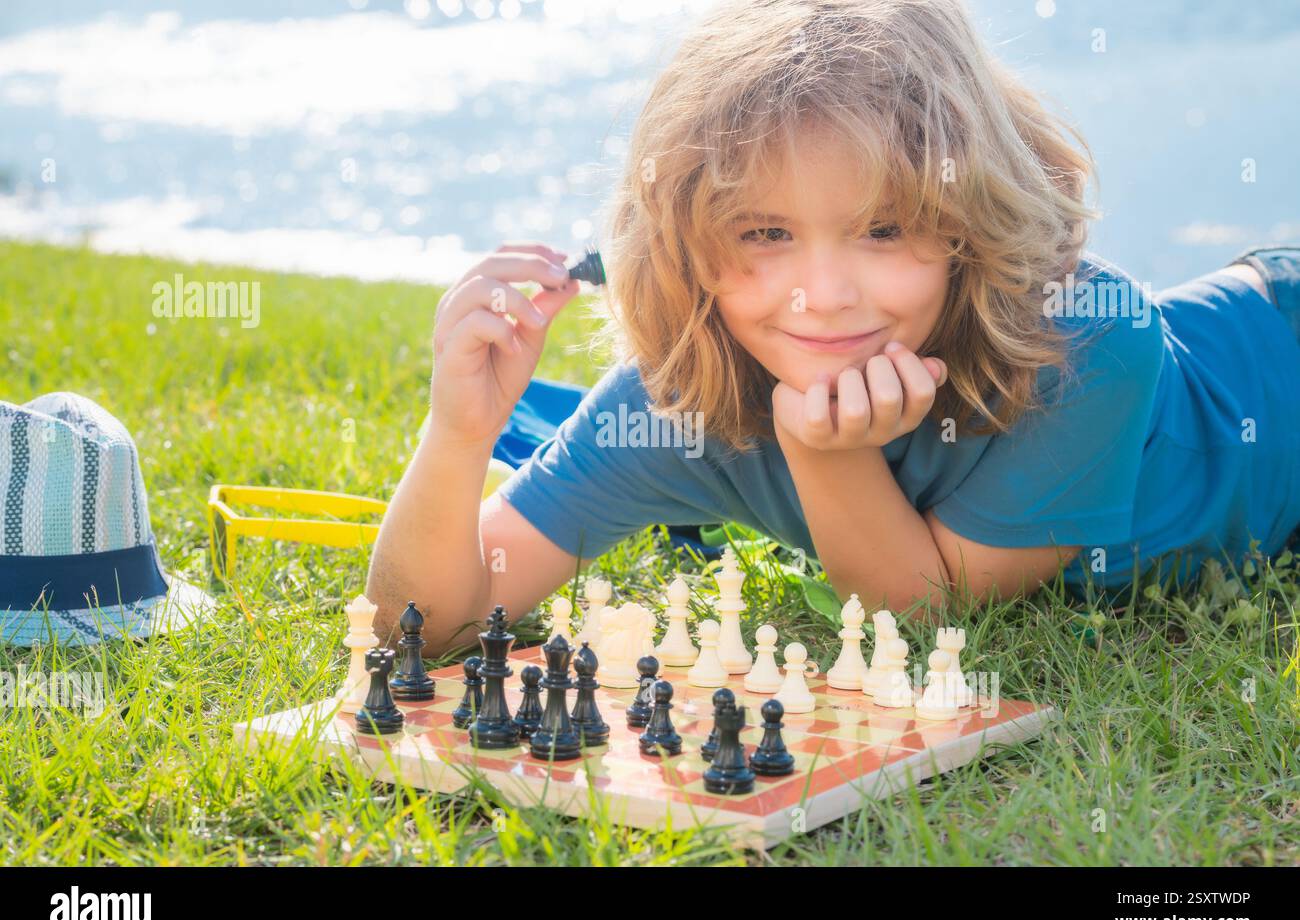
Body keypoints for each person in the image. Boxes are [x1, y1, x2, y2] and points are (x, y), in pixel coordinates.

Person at [366, 0, 1300, 653]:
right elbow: (429, 625)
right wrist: (458, 433)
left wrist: (822, 452)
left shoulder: (1092, 346)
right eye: (765, 233)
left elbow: (921, 613)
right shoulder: (679, 401)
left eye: (883, 229)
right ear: (687, 244)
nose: (822, 294)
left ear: (970, 225)